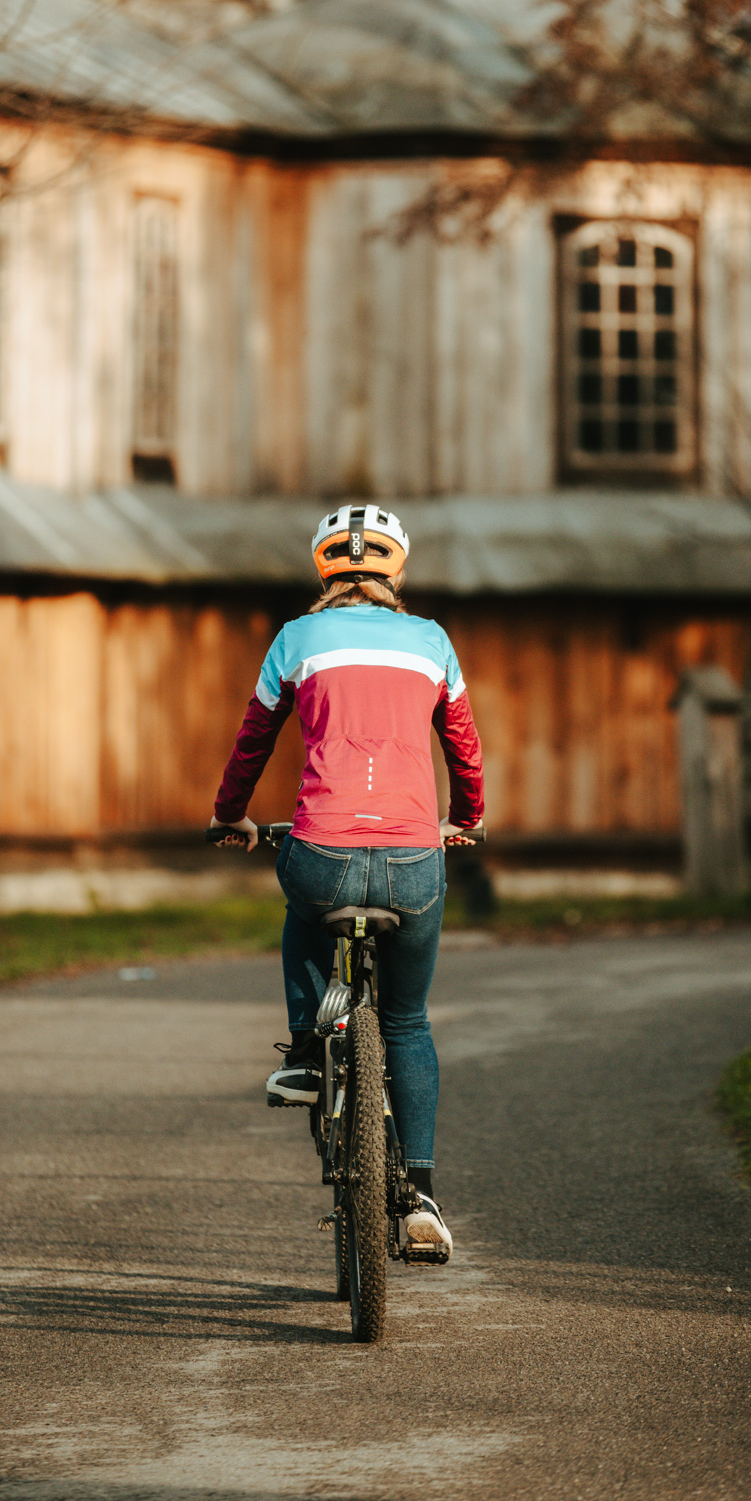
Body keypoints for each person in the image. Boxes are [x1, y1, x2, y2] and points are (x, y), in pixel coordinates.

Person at [207, 504, 484, 1263]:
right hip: (413, 863)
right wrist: (467, 818)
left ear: (324, 568)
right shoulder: (432, 642)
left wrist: (231, 815)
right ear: (396, 569)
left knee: (300, 895)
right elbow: (463, 745)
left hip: (323, 853)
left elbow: (252, 742)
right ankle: (422, 1196)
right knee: (407, 1023)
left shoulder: (296, 640)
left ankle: (303, 1050)